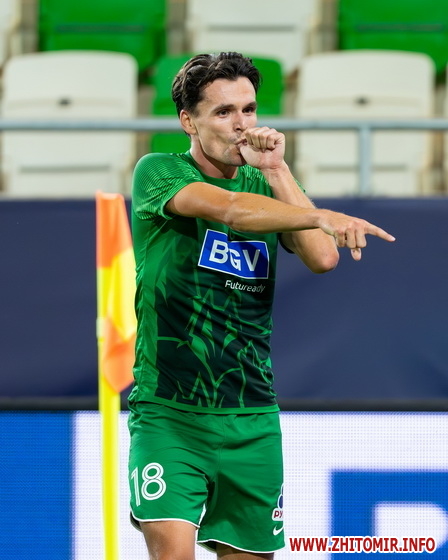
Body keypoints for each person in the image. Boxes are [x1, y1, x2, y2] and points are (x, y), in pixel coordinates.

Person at [128, 52, 395, 560]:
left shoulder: (265, 185)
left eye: (248, 109)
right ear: (188, 121)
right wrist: (320, 214)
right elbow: (230, 210)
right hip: (170, 413)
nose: (242, 124)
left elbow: (322, 258)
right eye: (223, 112)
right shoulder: (159, 172)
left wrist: (276, 169)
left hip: (252, 415)